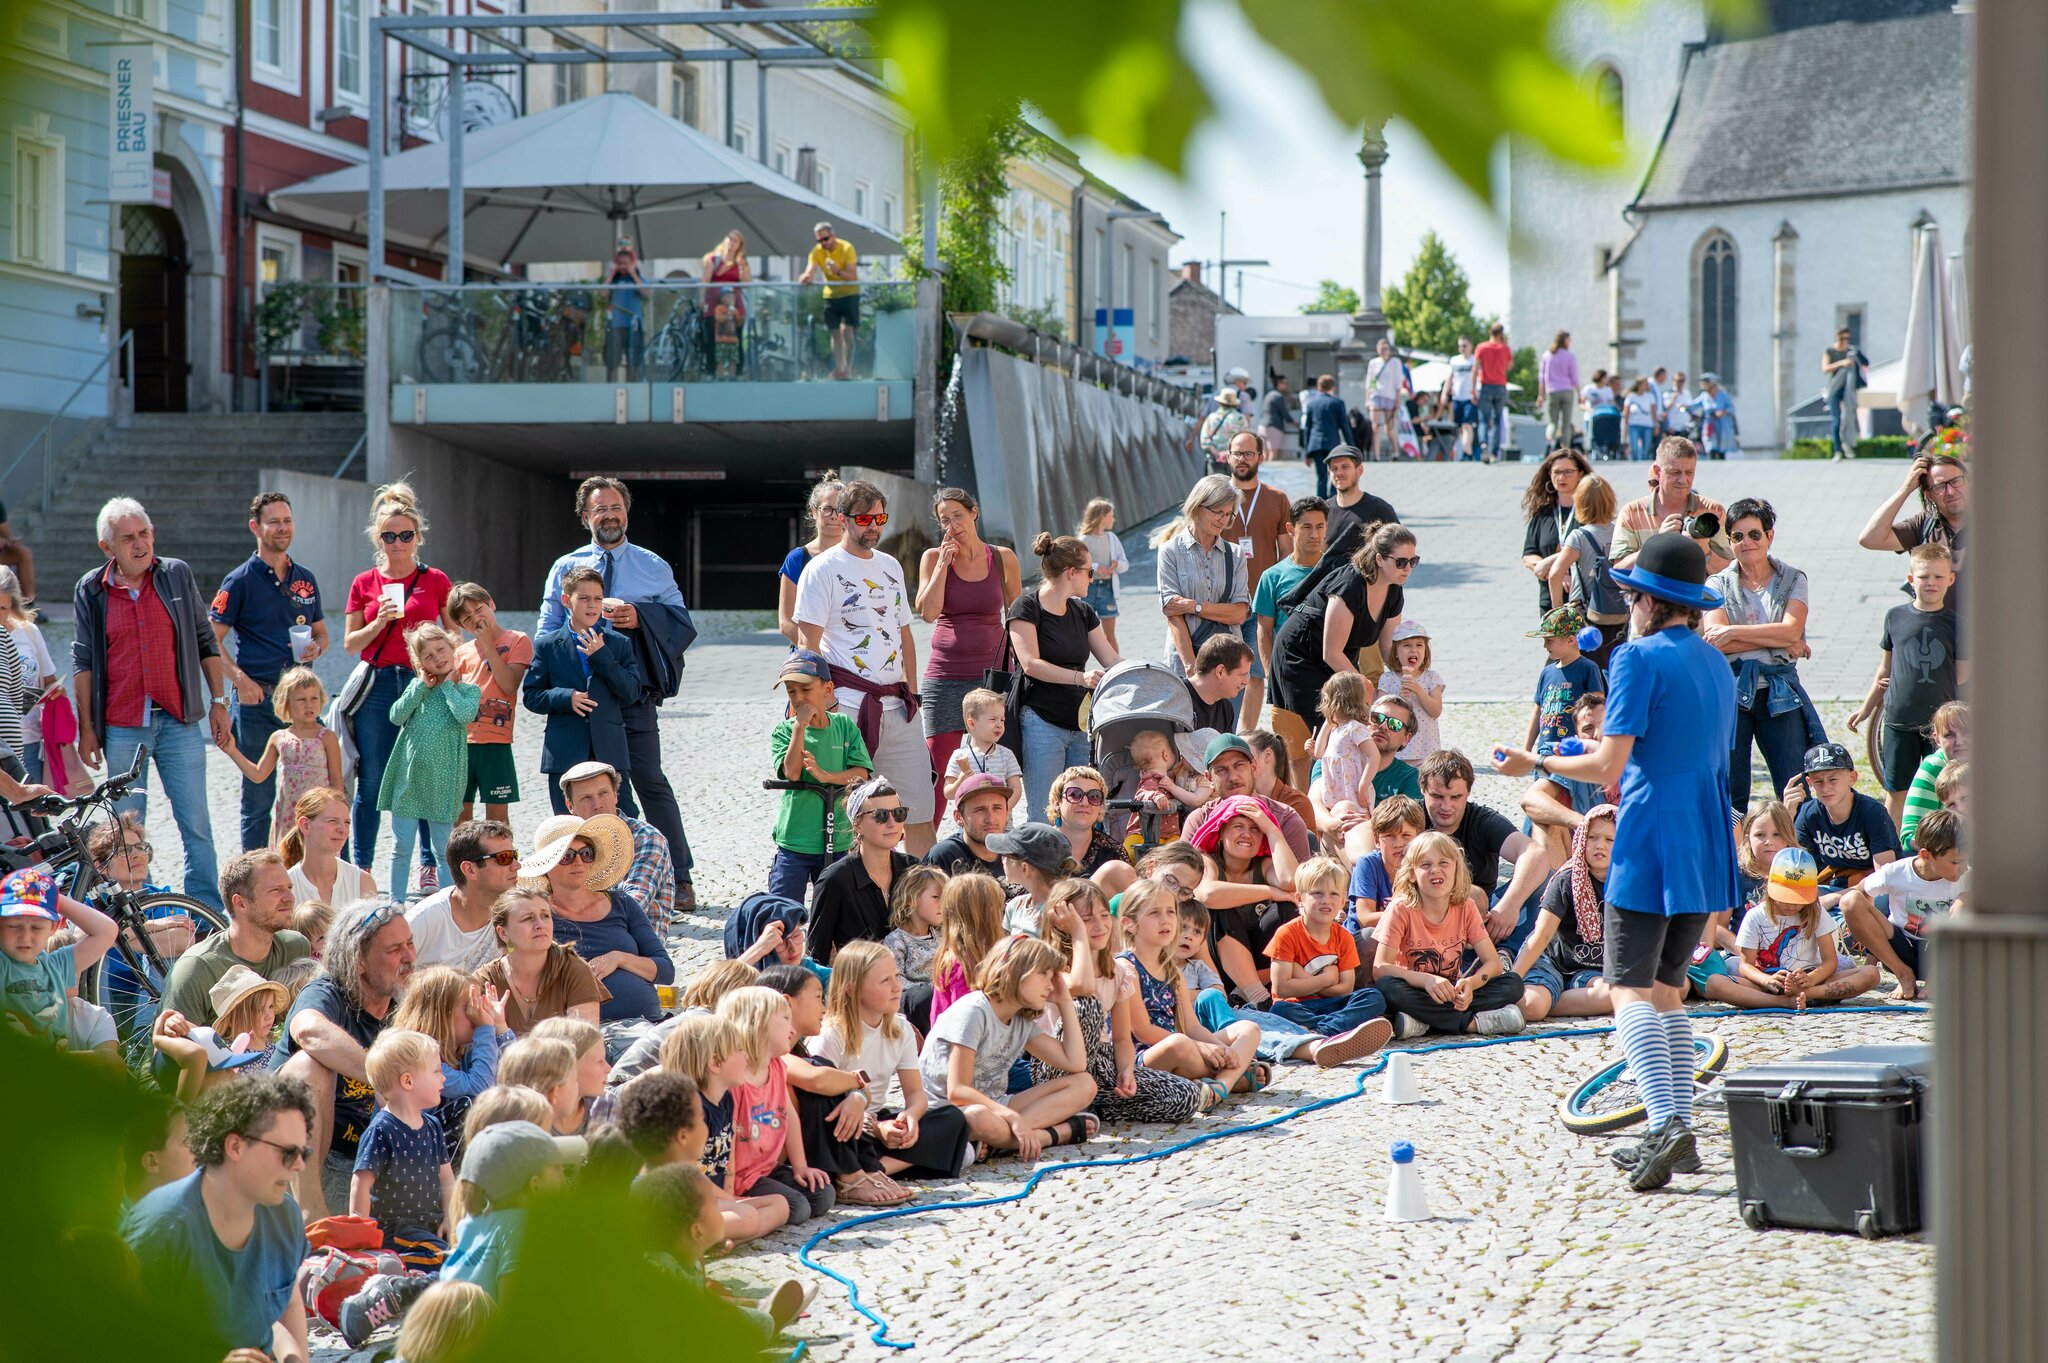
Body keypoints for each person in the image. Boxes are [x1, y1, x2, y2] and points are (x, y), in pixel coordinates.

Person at [1492, 532, 1742, 1190]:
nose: (1627, 603)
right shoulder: (1717, 661)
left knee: (1628, 985)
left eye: (1632, 595)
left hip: (1652, 835)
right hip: (1708, 837)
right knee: (1666, 988)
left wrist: (1536, 761)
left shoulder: (1636, 658)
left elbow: (1608, 763)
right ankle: (1679, 1129)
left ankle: (1665, 1122)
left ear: (1652, 602)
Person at [536, 479, 696, 901]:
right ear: (585, 516)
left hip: (632, 691)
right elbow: (547, 628)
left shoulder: (653, 565)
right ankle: (592, 876)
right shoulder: (564, 567)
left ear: (627, 512)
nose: (609, 515)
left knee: (648, 781)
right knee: (582, 788)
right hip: (583, 700)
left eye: (616, 507)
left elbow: (681, 625)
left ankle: (678, 875)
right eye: (599, 509)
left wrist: (640, 616)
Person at [71, 496, 230, 906]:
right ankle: (141, 912)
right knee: (127, 830)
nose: (140, 544)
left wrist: (218, 701)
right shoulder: (91, 589)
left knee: (196, 824)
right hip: (123, 726)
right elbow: (83, 661)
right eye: (128, 538)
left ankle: (205, 914)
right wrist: (87, 729)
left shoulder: (177, 574)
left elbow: (204, 639)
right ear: (108, 547)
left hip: (179, 721)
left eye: (145, 533)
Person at [120, 1076, 314, 1363]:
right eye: (286, 1152)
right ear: (235, 1147)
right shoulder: (161, 1230)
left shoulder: (283, 1215)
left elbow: (286, 1304)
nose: (299, 1165)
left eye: (303, 1152)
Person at [793, 480, 935, 855]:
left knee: (918, 809)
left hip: (897, 702)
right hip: (848, 702)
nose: (873, 525)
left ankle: (923, 898)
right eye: (864, 518)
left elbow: (904, 634)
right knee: (851, 810)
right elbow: (809, 646)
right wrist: (829, 708)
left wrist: (914, 692)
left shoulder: (889, 565)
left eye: (880, 517)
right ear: (842, 519)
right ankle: (856, 897)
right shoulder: (821, 570)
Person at [275, 899, 418, 1217]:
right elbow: (309, 1032)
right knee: (308, 1065)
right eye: (395, 949)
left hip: (372, 1162)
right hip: (313, 1161)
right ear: (359, 962)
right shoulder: (325, 992)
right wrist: (379, 1074)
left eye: (410, 943)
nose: (409, 957)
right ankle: (310, 1215)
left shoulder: (402, 1004)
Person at [342, 483, 456, 871]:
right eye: (389, 536)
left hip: (422, 683)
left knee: (424, 773)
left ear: (417, 537)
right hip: (378, 685)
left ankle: (428, 865)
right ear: (379, 538)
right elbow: (350, 643)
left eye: (405, 535)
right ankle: (363, 868)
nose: (397, 542)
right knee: (372, 780)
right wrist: (378, 621)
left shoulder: (436, 579)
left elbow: (454, 635)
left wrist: (441, 662)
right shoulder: (364, 582)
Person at [211, 492, 328, 851]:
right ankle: (256, 876)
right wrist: (240, 681)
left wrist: (317, 647)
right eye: (274, 521)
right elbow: (211, 640)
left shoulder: (305, 577)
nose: (282, 528)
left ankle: (316, 871)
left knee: (316, 794)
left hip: (301, 701)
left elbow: (322, 632)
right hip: (257, 699)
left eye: (287, 520)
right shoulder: (239, 580)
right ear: (255, 527)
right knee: (258, 799)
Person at [917, 933, 1099, 1161]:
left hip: (997, 1107)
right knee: (979, 1116)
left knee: (1085, 1084)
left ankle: (998, 1143)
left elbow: (1075, 1063)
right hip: (948, 1111)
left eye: (1052, 976)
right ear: (1014, 971)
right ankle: (1054, 1135)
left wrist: (1064, 1001)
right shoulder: (974, 1011)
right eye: (1043, 973)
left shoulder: (1021, 1020)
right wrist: (1012, 1117)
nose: (1050, 984)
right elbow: (957, 1092)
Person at [1701, 497, 1824, 806]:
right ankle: (1734, 852)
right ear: (1729, 542)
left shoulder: (1793, 578)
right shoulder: (1715, 584)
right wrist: (1778, 639)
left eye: (1754, 534)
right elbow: (1714, 641)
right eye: (1738, 536)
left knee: (1794, 784)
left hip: (1778, 689)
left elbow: (1791, 630)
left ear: (1769, 536)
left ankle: (1797, 850)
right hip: (1731, 689)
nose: (1747, 542)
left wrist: (1732, 632)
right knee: (1730, 789)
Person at [915, 488, 1021, 809]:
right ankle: (924, 854)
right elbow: (928, 612)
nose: (953, 525)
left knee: (994, 769)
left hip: (992, 680)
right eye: (945, 520)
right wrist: (942, 567)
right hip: (945, 677)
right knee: (939, 773)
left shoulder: (1002, 557)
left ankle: (989, 841)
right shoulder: (933, 558)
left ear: (974, 512)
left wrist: (1024, 666)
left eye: (957, 516)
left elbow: (1016, 615)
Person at [1006, 530, 1118, 815]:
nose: (1093, 577)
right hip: (1040, 722)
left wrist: (1144, 672)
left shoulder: (1083, 612)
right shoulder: (1026, 607)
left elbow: (1110, 659)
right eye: (1089, 572)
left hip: (1080, 724)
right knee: (1044, 812)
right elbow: (1030, 664)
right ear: (1071, 572)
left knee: (1083, 812)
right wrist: (1081, 678)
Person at [1851, 543, 1964, 823]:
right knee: (1897, 789)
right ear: (1911, 579)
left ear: (1950, 579)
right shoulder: (1895, 617)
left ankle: (1944, 844)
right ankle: (1895, 849)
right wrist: (1866, 710)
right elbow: (1884, 670)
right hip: (1899, 720)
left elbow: (1963, 673)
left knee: (1945, 787)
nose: (1931, 583)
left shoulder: (1957, 623)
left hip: (1940, 726)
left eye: (1939, 577)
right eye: (1924, 576)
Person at [1373, 834, 1526, 1037]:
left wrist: (1471, 984)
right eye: (1425, 865)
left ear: (1456, 870)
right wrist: (1426, 981)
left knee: (1513, 984)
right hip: (1416, 989)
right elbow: (1380, 969)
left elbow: (1494, 964)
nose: (1435, 869)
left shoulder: (1466, 906)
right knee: (1387, 988)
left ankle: (1424, 1023)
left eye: (1443, 862)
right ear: (1411, 874)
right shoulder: (1400, 908)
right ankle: (1470, 1023)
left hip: (1453, 992)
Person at [526, 813, 671, 1027]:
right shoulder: (537, 916)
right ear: (547, 865)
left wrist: (619, 958)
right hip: (582, 1033)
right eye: (567, 855)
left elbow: (666, 971)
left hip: (647, 1023)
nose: (578, 861)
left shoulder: (622, 903)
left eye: (585, 853)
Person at [1269, 521, 1414, 734]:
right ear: (1379, 559)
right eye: (1401, 562)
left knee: (1352, 728)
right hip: (1301, 656)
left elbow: (1387, 649)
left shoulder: (1394, 589)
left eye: (1413, 561)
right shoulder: (1350, 584)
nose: (1408, 569)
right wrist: (1362, 683)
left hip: (1341, 657)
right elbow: (1331, 652)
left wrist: (1408, 673)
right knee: (1331, 731)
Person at [526, 565, 643, 820]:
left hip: (609, 750)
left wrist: (603, 657)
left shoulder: (618, 644)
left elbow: (632, 692)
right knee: (568, 828)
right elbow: (531, 696)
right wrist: (565, 698)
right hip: (565, 751)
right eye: (584, 598)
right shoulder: (547, 645)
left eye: (598, 599)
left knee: (622, 822)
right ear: (567, 600)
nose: (592, 605)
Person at [379, 624, 478, 901]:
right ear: (419, 663)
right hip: (408, 780)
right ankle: (395, 903)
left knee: (443, 850)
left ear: (453, 648)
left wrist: (447, 687)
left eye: (441, 650)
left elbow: (464, 715)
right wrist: (422, 686)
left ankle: (443, 904)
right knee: (401, 846)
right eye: (428, 656)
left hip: (442, 782)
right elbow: (396, 716)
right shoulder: (418, 688)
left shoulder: (467, 691)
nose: (437, 658)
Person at [767, 649, 872, 904]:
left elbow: (861, 774)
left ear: (827, 689)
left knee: (840, 907)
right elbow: (792, 773)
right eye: (792, 691)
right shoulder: (784, 730)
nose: (799, 697)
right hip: (795, 838)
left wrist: (826, 775)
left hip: (838, 838)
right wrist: (799, 727)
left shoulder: (844, 726)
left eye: (806, 689)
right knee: (782, 907)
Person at [1262, 856, 1394, 1057]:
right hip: (1297, 1006)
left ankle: (1321, 1033)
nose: (1326, 901)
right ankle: (1339, 1030)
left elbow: (1345, 989)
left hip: (1333, 1007)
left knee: (1373, 997)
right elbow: (1282, 988)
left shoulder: (1343, 937)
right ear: (1300, 899)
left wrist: (1308, 982)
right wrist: (1326, 979)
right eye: (1317, 893)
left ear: (1342, 901)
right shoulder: (1286, 934)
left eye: (1334, 894)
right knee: (1279, 1011)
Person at [349, 1029, 456, 1273]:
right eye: (437, 1071)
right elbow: (361, 1185)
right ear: (407, 1081)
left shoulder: (433, 1126)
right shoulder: (382, 1130)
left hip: (429, 1227)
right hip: (396, 1231)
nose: (443, 1079)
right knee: (451, 1263)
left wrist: (450, 1217)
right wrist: (360, 1238)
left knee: (461, 1252)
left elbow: (447, 1180)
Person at [162, 850, 306, 1030]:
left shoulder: (295, 947)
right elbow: (168, 1050)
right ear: (241, 903)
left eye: (289, 888)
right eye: (276, 890)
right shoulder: (197, 969)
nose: (290, 898)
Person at [1840, 808, 1965, 1002]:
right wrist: (1872, 952)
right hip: (1902, 948)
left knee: (1966, 901)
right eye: (1956, 861)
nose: (1963, 867)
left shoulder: (1966, 876)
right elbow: (1861, 891)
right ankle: (1903, 974)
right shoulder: (1897, 872)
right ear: (1926, 855)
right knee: (1850, 901)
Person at [1735, 848, 1880, 1007]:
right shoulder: (1755, 916)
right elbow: (1745, 965)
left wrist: (1811, 980)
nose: (1791, 905)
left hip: (1810, 980)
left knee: (1871, 973)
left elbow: (1830, 961)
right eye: (1785, 897)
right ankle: (1782, 1001)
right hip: (1767, 983)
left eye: (1798, 898)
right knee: (1716, 982)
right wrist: (1766, 980)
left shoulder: (1816, 912)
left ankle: (1803, 995)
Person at [1513, 805, 1619, 1022]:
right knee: (1532, 1007)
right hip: (1551, 961)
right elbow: (1540, 936)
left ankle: (1552, 1001)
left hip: (1593, 971)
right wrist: (1512, 981)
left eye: (1610, 840)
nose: (1600, 846)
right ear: (1581, 839)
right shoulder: (1567, 880)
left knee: (1614, 995)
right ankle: (1541, 998)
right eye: (1592, 837)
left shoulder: (1632, 884)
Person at [217, 667, 340, 851]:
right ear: (286, 703)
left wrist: (333, 816)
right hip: (288, 817)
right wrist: (232, 751)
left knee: (320, 868)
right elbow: (258, 775)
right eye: (301, 699)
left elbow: (337, 783)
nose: (309, 705)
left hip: (318, 816)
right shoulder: (279, 737)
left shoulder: (326, 737)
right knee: (289, 867)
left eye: (314, 698)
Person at [1253, 495, 1328, 783]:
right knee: (1295, 757)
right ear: (1290, 529)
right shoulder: (1273, 577)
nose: (1314, 534)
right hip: (1288, 678)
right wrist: (1272, 672)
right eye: (1306, 527)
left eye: (1320, 526)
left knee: (1331, 752)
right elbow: (1264, 629)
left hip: (1326, 675)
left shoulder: (1337, 572)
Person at [0, 865, 117, 1042]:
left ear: (53, 927)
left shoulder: (56, 966)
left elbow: (106, 931)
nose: (25, 936)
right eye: (14, 926)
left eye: (37, 927)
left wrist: (49, 895)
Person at [447, 582, 531, 826]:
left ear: (491, 604)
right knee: (461, 820)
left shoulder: (518, 640)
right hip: (462, 744)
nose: (476, 618)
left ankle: (502, 863)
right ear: (461, 625)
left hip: (496, 744)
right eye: (467, 618)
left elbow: (509, 685)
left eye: (479, 609)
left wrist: (486, 644)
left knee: (497, 820)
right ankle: (462, 864)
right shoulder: (461, 652)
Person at [1157, 474, 1251, 688]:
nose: (1223, 520)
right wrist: (1192, 669)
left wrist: (1193, 606)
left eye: (1228, 514)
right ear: (1198, 506)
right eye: (1218, 512)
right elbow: (1173, 613)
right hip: (1184, 661)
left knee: (1225, 722)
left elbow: (1239, 613)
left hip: (1229, 664)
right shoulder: (1170, 551)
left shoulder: (1235, 555)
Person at [560, 759, 676, 933]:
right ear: (571, 806)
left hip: (635, 948)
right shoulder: (565, 845)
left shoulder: (645, 838)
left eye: (603, 793)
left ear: (615, 795)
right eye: (586, 798)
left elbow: (634, 903)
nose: (597, 804)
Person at [808, 777, 915, 963]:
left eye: (898, 813)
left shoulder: (913, 869)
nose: (892, 823)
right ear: (857, 824)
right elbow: (816, 955)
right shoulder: (835, 880)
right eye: (880, 815)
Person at [475, 887, 606, 1034]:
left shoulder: (574, 970)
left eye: (545, 916)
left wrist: (503, 1035)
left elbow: (585, 1046)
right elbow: (475, 1049)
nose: (540, 925)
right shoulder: (486, 981)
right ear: (503, 933)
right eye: (527, 918)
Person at [1791, 741, 1900, 907]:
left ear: (1852, 778)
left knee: (1880, 901)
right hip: (1837, 883)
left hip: (1876, 886)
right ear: (1810, 783)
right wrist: (1788, 814)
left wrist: (1837, 898)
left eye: (1833, 779)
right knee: (1791, 900)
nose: (1826, 787)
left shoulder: (1872, 812)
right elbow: (1791, 865)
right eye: (1818, 781)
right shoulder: (1809, 813)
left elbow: (1885, 878)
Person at [1610, 437, 1734, 575]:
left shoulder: (1713, 512)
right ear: (1657, 472)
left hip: (1696, 595)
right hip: (1650, 595)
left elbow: (1730, 575)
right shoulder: (1632, 513)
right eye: (1675, 473)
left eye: (1689, 472)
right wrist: (1656, 545)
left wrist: (1704, 551)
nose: (1683, 480)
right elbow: (1619, 574)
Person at [406, 820, 517, 973]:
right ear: (470, 870)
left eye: (515, 855)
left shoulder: (514, 913)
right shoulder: (423, 921)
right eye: (505, 857)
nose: (517, 865)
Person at [1856, 451, 1967, 596]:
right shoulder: (1924, 525)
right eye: (1939, 487)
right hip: (1933, 619)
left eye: (1956, 481)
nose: (1950, 491)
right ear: (1929, 495)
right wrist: (1906, 489)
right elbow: (1870, 539)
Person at [1550, 473, 1629, 669]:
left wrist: (1558, 614)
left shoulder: (1579, 536)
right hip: (1621, 614)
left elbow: (1555, 574)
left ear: (1580, 503)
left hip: (1588, 618)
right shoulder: (1621, 531)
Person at [1523, 605, 1605, 758]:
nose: (1545, 646)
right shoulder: (1546, 672)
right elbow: (1537, 712)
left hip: (1573, 751)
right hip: (1546, 750)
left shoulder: (1588, 668)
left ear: (1571, 640)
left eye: (1549, 640)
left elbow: (1598, 711)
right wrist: (1526, 752)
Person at [0, 567, 56, 781]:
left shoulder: (29, 632)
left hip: (29, 740)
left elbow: (49, 680)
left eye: (3, 608)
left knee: (32, 811)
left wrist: (54, 692)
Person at [279, 787, 377, 908]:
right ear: (306, 825)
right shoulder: (286, 888)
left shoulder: (362, 882)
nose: (342, 830)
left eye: (347, 823)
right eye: (332, 821)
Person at [1520, 447, 1590, 614]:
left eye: (1568, 472)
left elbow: (1591, 547)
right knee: (1552, 641)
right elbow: (1529, 553)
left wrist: (1558, 566)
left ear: (1580, 474)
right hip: (1549, 600)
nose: (1561, 477)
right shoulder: (1543, 512)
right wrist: (1554, 571)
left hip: (1583, 599)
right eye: (1556, 472)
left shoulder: (1590, 511)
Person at [778, 475, 844, 647]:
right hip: (811, 657)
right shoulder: (798, 559)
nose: (834, 516)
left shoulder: (862, 556)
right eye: (827, 509)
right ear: (813, 512)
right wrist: (817, 652)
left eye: (840, 509)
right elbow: (785, 623)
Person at [940, 688, 1023, 817]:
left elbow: (1016, 789)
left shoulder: (1006, 754)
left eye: (1002, 720)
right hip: (970, 828)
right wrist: (961, 781)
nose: (999, 724)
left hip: (1002, 828)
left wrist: (1003, 811)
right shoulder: (959, 756)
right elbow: (948, 793)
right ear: (972, 724)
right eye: (993, 719)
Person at [1042, 765, 1131, 883]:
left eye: (1094, 796)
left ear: (1100, 806)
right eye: (1075, 794)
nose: (1084, 803)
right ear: (1057, 802)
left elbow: (1129, 899)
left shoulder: (1113, 852)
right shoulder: (1037, 848)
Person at [798, 220, 861, 380]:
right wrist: (806, 277)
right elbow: (810, 270)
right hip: (831, 296)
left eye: (825, 239)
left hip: (850, 294)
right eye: (819, 240)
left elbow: (852, 276)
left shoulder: (847, 248)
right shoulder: (817, 251)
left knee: (847, 332)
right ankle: (840, 369)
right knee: (835, 333)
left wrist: (837, 271)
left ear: (833, 236)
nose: (822, 243)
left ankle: (850, 369)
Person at [1376, 619, 1444, 762]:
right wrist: (1399, 698)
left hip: (1426, 751)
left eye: (1419, 645)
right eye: (1407, 645)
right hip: (1395, 753)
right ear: (1395, 653)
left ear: (1425, 652)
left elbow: (1436, 711)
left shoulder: (1432, 678)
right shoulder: (1387, 679)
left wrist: (1418, 690)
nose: (1414, 650)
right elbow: (1378, 714)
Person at [1901, 701, 1967, 844]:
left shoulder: (1992, 764)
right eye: (1950, 735)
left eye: (1967, 732)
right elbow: (1910, 834)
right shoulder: (1933, 767)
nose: (1960, 741)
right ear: (1936, 739)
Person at [924, 772, 1010, 880]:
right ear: (958, 817)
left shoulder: (1018, 852)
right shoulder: (944, 857)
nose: (990, 818)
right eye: (980, 810)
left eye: (997, 808)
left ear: (1007, 813)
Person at [1320, 444, 1401, 548]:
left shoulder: (1379, 509)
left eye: (1345, 467)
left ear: (1359, 470)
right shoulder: (1323, 511)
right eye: (1334, 468)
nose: (1339, 473)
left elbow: (1399, 550)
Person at [1076, 498, 1129, 653]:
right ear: (1101, 517)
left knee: (1110, 635)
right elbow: (1077, 566)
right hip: (1087, 591)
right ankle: (1080, 672)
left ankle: (1116, 671)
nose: (1113, 519)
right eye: (1111, 515)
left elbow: (1125, 563)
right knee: (1084, 634)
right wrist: (1096, 567)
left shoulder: (1112, 538)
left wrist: (1116, 564)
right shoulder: (1083, 540)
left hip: (1107, 590)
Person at [1184, 634, 1253, 735]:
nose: (1245, 682)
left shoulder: (1226, 708)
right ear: (1220, 671)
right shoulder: (1178, 698)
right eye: (1242, 675)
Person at [603, 241, 649, 382]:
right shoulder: (614, 280)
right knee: (613, 361)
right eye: (620, 263)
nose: (623, 267)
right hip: (616, 325)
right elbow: (603, 293)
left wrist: (633, 274)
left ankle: (632, 387)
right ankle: (612, 386)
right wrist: (611, 274)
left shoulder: (638, 278)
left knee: (633, 360)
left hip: (633, 325)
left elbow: (646, 292)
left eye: (626, 263)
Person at [1300, 374, 1349, 498]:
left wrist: (1307, 452)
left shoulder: (1311, 404)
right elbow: (1344, 426)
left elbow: (1308, 429)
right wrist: (1352, 446)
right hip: (1332, 444)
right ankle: (1333, 501)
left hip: (1316, 444)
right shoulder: (1337, 403)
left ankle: (1320, 503)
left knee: (1321, 476)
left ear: (1319, 387)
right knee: (1335, 472)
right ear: (1333, 386)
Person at [1474, 323, 1513, 462]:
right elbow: (1509, 366)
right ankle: (1493, 454)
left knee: (1484, 419)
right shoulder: (1505, 348)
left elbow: (1475, 369)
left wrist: (1472, 390)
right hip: (1500, 387)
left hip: (1485, 386)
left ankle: (1483, 443)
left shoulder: (1481, 347)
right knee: (1497, 420)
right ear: (1501, 333)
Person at [1538, 331, 1580, 448]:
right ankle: (1565, 448)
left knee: (1553, 422)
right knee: (1566, 423)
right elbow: (1575, 378)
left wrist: (1541, 395)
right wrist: (1579, 394)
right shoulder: (1569, 356)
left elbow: (1542, 377)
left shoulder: (1547, 356)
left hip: (1552, 392)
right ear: (1564, 341)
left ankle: (1550, 445)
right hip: (1567, 391)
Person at [1442, 337, 1480, 460]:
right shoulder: (1454, 360)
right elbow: (1449, 378)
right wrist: (1444, 393)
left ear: (1471, 346)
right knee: (1459, 427)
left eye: (1464, 345)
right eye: (1460, 346)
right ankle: (1466, 452)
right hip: (1457, 398)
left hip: (1470, 397)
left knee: (1467, 425)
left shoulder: (1475, 360)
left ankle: (1466, 450)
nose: (1462, 348)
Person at [1686, 374, 1738, 459]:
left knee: (1722, 447)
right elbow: (1694, 404)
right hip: (1710, 424)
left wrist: (1722, 412)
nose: (1703, 385)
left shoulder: (1723, 395)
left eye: (1705, 383)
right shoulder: (1704, 396)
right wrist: (1684, 405)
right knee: (1710, 445)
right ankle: (1712, 460)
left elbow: (1731, 408)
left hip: (1722, 424)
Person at [1197, 386, 1249, 464]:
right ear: (1235, 403)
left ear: (1219, 403)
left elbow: (1204, 440)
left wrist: (1216, 453)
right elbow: (1245, 440)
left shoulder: (1211, 417)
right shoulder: (1240, 418)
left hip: (1214, 461)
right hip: (1234, 461)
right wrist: (1228, 453)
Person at [1622, 376, 1660, 462]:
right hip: (1634, 424)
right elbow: (1626, 412)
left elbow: (1653, 412)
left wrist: (1656, 425)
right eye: (1645, 383)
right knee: (1634, 447)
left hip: (1647, 425)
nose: (1647, 385)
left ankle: (1643, 464)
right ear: (1639, 385)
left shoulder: (1650, 396)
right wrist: (1625, 425)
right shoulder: (1631, 396)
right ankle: (1634, 462)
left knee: (1646, 448)